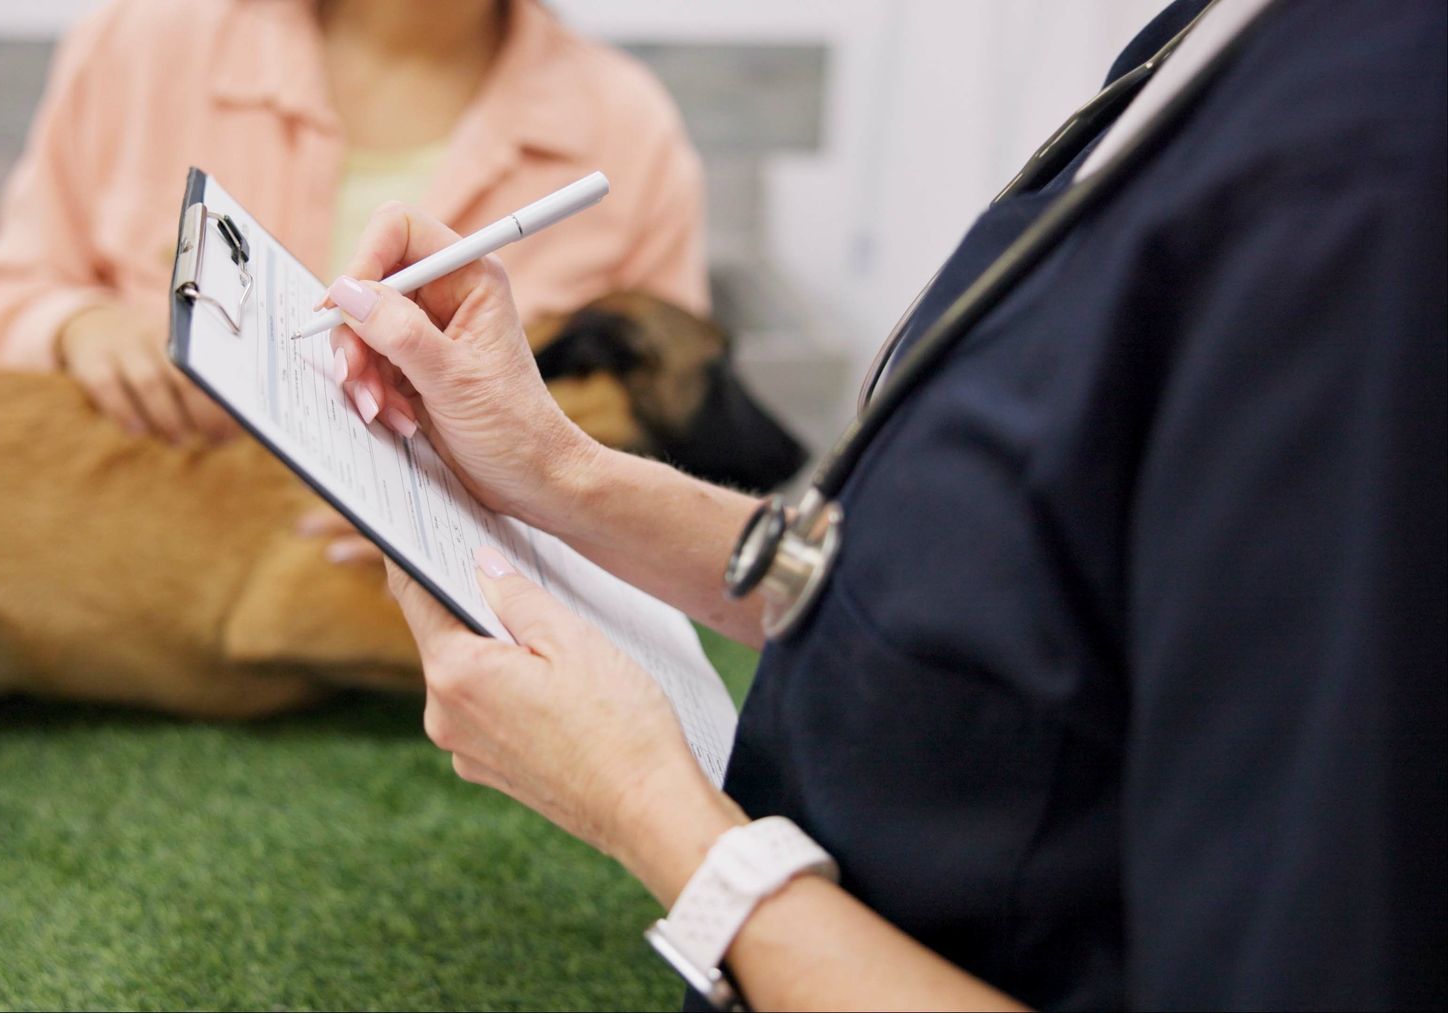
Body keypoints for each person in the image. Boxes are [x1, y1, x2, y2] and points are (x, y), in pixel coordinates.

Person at [317, 0, 1447, 1008]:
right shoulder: (1225, 46)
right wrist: (561, 473)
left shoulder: (1371, 188)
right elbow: (973, 581)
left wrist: (647, 809)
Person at [0, 0, 707, 446]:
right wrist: (77, 325)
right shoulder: (145, 42)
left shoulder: (627, 129)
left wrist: (499, 495)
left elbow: (668, 429)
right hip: (139, 577)